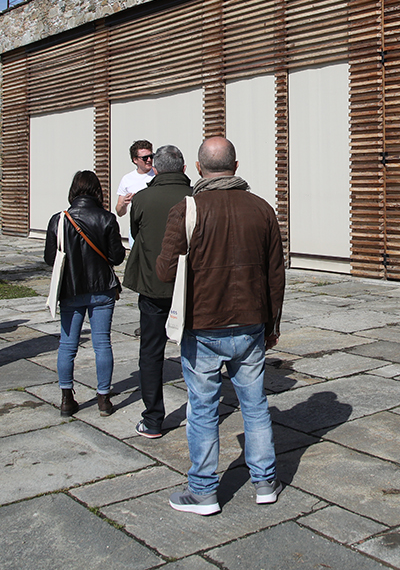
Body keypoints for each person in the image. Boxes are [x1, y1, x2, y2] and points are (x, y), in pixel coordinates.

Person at [156, 136, 285, 515]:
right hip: (250, 323)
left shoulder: (187, 209)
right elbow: (275, 274)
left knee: (203, 408)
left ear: (198, 169)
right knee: (256, 405)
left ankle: (203, 491)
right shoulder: (262, 209)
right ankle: (265, 482)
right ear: (236, 165)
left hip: (203, 323)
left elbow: (165, 271)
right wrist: (272, 324)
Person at [124, 144, 193, 438]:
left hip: (153, 286)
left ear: (157, 168)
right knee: (197, 350)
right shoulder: (196, 198)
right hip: (190, 288)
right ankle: (201, 411)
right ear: (184, 169)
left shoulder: (142, 198)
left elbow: (136, 230)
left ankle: (153, 418)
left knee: (151, 352)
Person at [43, 170, 125, 417]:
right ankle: (103, 399)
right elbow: (117, 257)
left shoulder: (59, 219)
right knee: (102, 344)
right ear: (97, 190)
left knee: (67, 345)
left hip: (70, 289)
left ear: (73, 191)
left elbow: (49, 258)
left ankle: (66, 398)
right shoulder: (107, 218)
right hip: (101, 289)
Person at [114, 139, 154, 246]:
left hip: (156, 228)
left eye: (151, 156)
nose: (149, 160)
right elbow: (120, 212)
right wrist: (124, 204)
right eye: (145, 158)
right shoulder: (127, 179)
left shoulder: (159, 174)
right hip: (137, 231)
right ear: (135, 160)